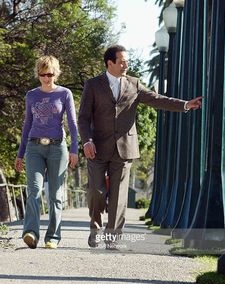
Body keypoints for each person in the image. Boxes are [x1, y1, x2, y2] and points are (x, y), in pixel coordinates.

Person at [78, 45, 202, 250]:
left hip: (125, 147)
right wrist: (87, 140)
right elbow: (83, 118)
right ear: (110, 63)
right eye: (122, 61)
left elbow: (157, 99)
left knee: (118, 197)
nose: (126, 64)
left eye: (127, 61)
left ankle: (113, 239)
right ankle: (95, 228)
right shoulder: (93, 85)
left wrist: (185, 105)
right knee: (96, 193)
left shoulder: (134, 84)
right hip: (97, 147)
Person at [15, 55, 78, 249]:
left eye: (50, 74)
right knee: (34, 191)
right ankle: (31, 233)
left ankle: (53, 236)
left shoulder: (65, 93)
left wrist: (74, 149)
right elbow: (27, 125)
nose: (46, 78)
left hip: (57, 148)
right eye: (42, 74)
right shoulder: (31, 95)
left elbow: (73, 124)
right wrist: (20, 153)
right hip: (34, 147)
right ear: (38, 74)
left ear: (56, 73)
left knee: (55, 195)